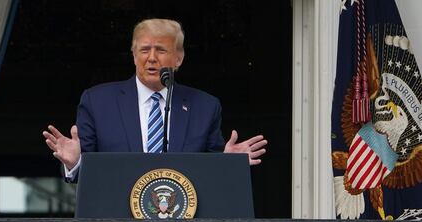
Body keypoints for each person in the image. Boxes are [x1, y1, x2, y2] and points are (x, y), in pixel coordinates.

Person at [43, 18, 266, 179]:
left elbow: (210, 176)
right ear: (133, 55)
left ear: (178, 58)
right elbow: (86, 176)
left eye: (160, 50)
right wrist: (75, 162)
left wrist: (227, 164)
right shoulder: (97, 101)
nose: (151, 58)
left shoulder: (205, 107)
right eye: (144, 50)